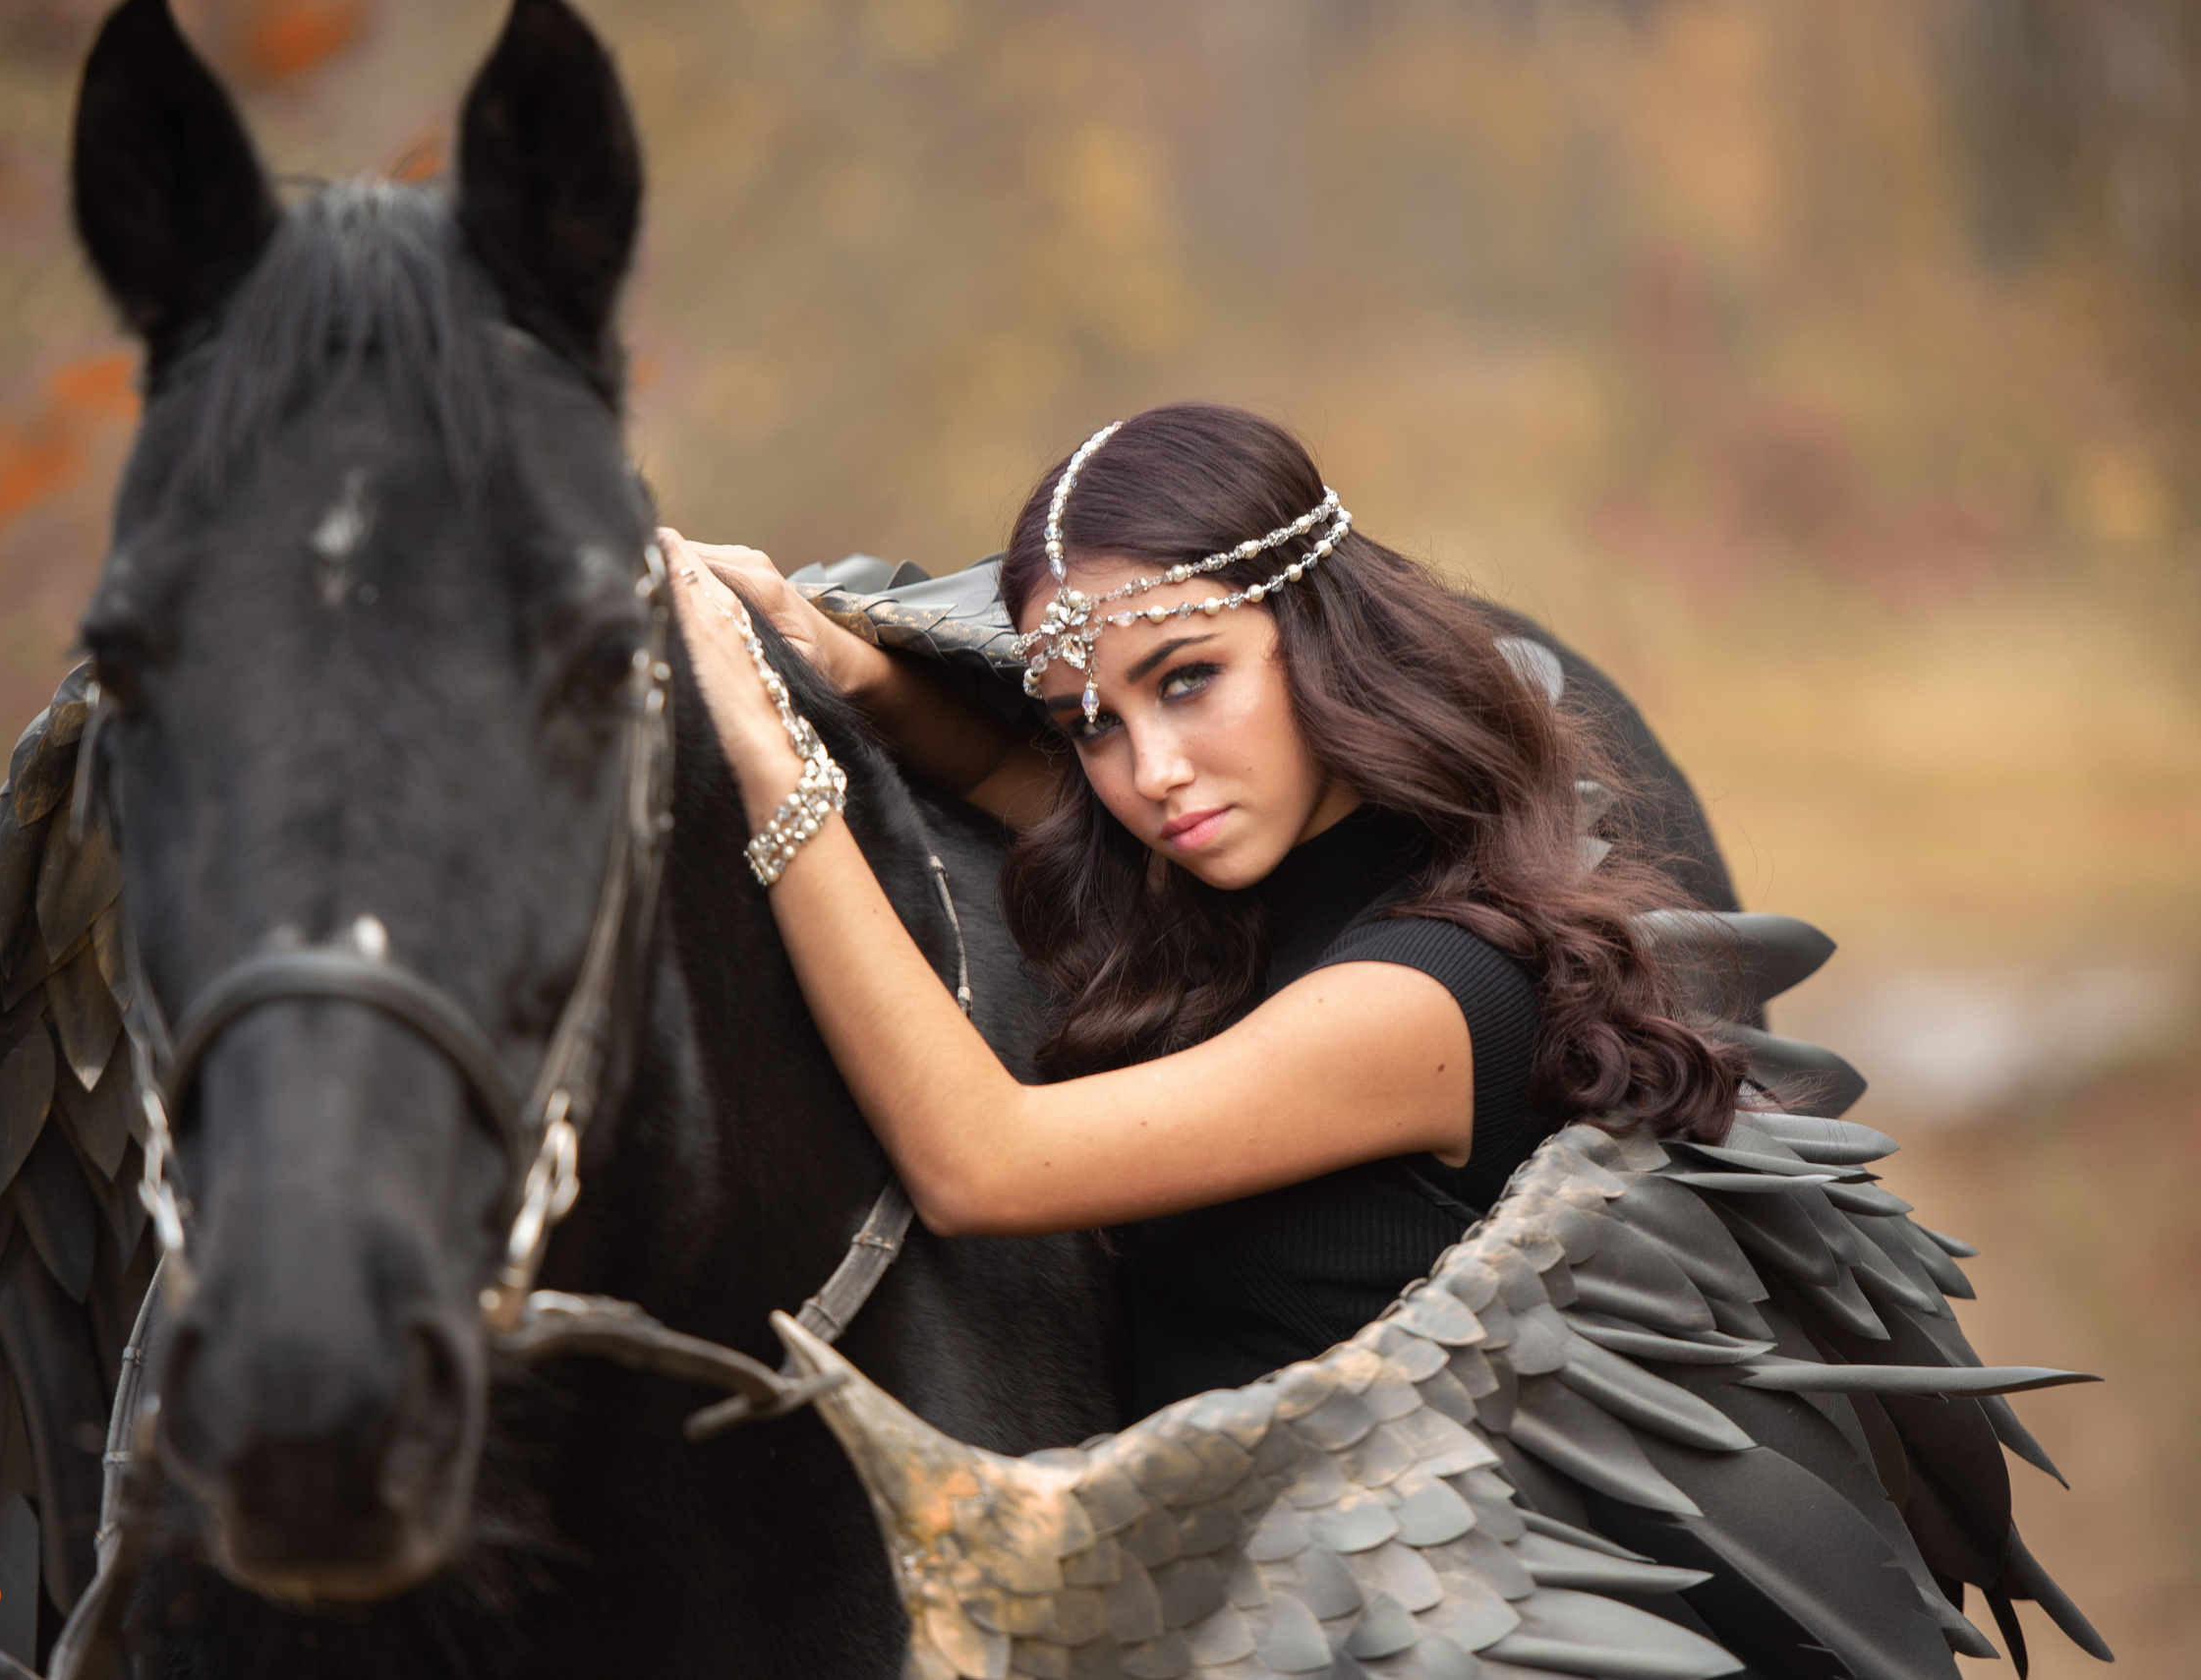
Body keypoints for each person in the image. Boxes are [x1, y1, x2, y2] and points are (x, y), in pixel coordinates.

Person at [663, 401, 1745, 1419]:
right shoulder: (1264, 857)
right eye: (1090, 723)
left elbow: (980, 1163)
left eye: (1185, 679)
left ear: (1317, 631)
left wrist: (769, 757)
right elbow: (1002, 766)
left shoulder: (1433, 992)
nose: (1153, 772)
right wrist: (828, 656)